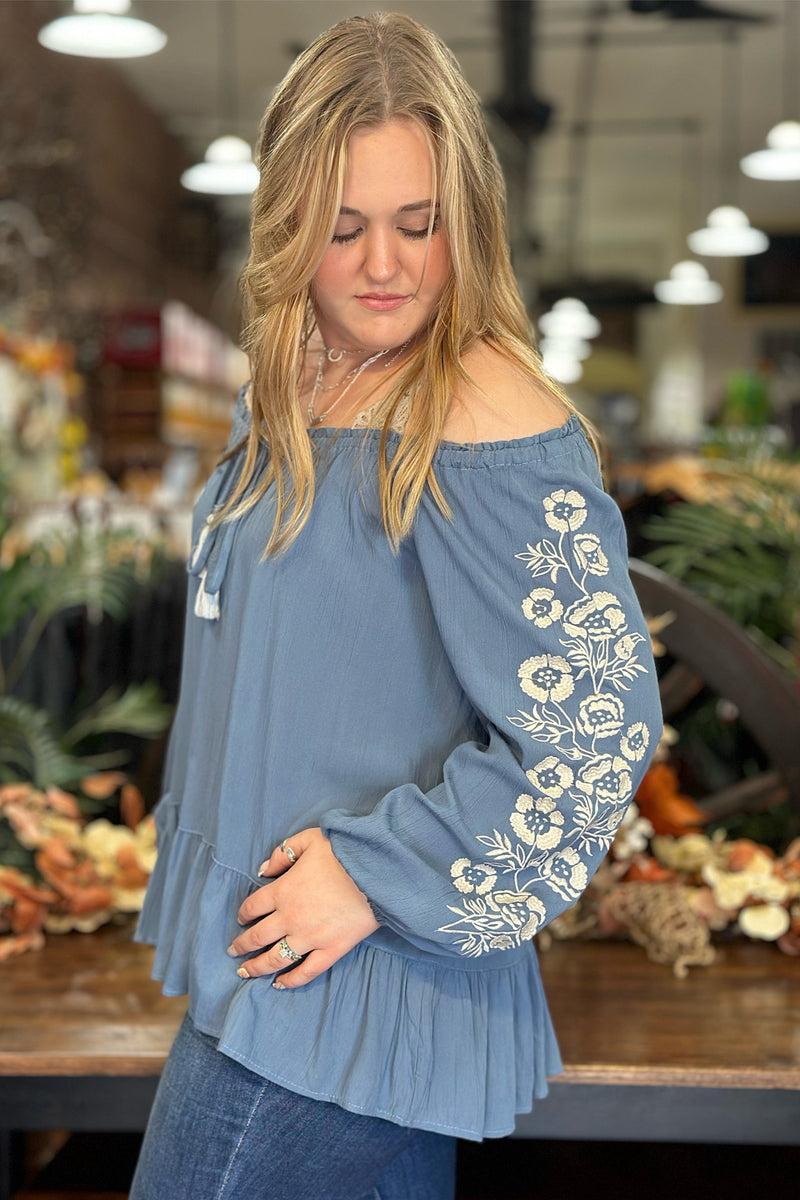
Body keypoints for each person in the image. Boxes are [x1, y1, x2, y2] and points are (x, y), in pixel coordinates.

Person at [130, 12, 662, 1200]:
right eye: (343, 228)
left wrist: (379, 874)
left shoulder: (477, 406)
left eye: (417, 225)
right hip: (273, 989)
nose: (384, 265)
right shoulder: (295, 377)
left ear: (461, 221)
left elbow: (595, 725)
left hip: (338, 1004)